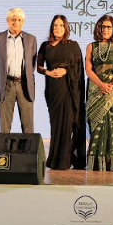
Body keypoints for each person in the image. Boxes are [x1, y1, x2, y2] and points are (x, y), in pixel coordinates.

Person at [36, 15, 86, 170]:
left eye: (61, 25)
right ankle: (54, 159)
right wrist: (48, 72)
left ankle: (66, 159)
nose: (57, 28)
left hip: (69, 89)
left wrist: (65, 70)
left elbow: (78, 67)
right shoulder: (45, 45)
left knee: (68, 124)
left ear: (66, 28)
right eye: (55, 25)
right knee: (55, 124)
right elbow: (39, 67)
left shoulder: (73, 45)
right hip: (52, 89)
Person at [85, 14, 113, 171]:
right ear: (98, 28)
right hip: (96, 91)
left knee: (111, 127)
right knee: (96, 126)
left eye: (109, 27)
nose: (105, 30)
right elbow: (88, 69)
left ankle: (110, 163)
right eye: (103, 26)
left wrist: (112, 83)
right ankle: (94, 163)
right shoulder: (91, 46)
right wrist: (101, 85)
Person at [0, 8, 37, 134]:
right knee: (5, 127)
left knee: (28, 128)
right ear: (7, 21)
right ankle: (4, 148)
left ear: (23, 22)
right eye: (13, 19)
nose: (16, 22)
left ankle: (27, 148)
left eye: (19, 20)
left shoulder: (31, 39)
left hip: (25, 85)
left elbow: (32, 63)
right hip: (6, 85)